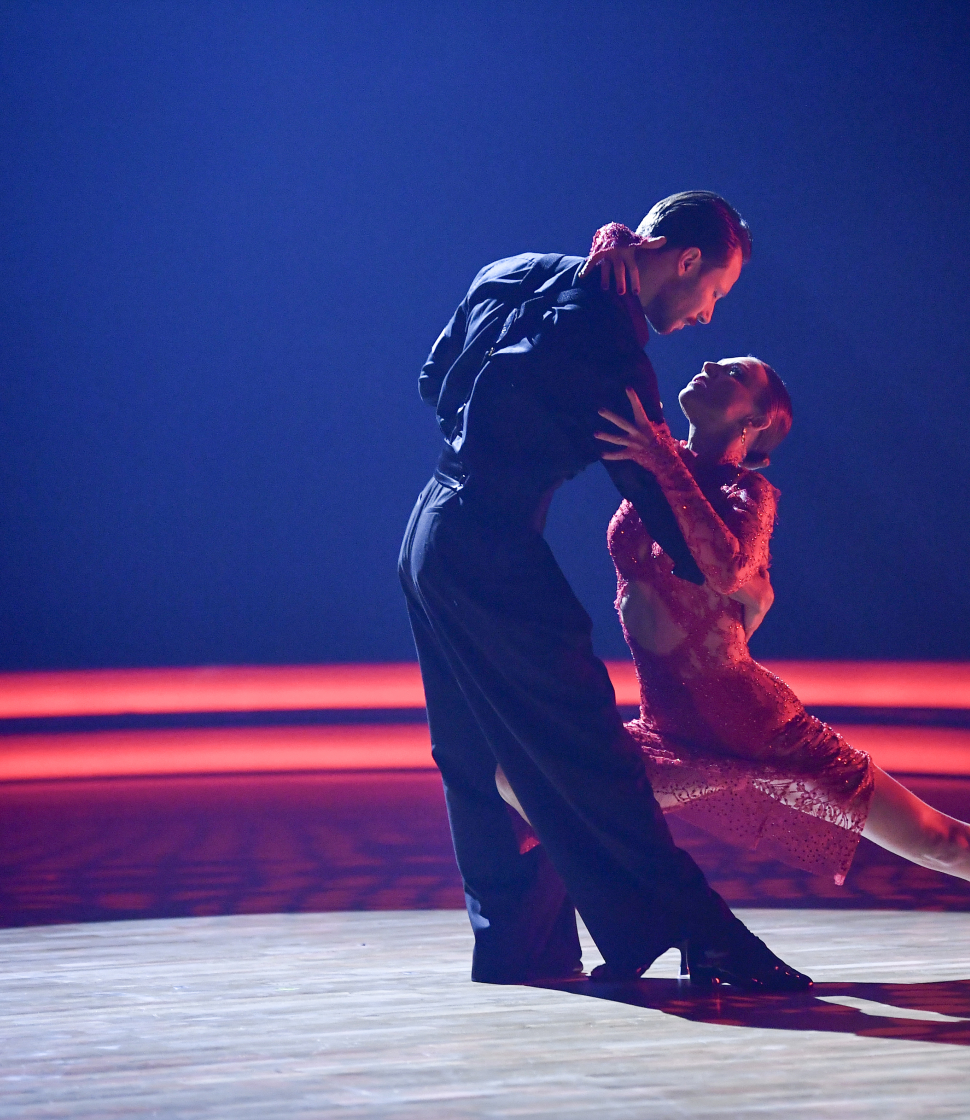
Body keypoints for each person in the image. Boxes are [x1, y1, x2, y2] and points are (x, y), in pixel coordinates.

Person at [494, 260, 970, 965]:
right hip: (672, 733)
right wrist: (614, 244)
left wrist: (667, 471)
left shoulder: (748, 493)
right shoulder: (651, 455)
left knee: (939, 840)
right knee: (513, 780)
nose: (710, 364)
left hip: (759, 729)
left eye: (735, 373)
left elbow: (730, 568)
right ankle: (547, 944)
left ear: (755, 422)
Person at [400, 192, 812, 990]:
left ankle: (521, 948)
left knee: (472, 751)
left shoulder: (513, 270)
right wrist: (698, 509)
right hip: (491, 551)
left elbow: (431, 382)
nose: (705, 316)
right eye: (714, 293)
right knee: (591, 751)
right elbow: (679, 535)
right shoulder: (615, 359)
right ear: (685, 261)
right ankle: (704, 936)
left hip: (429, 534)